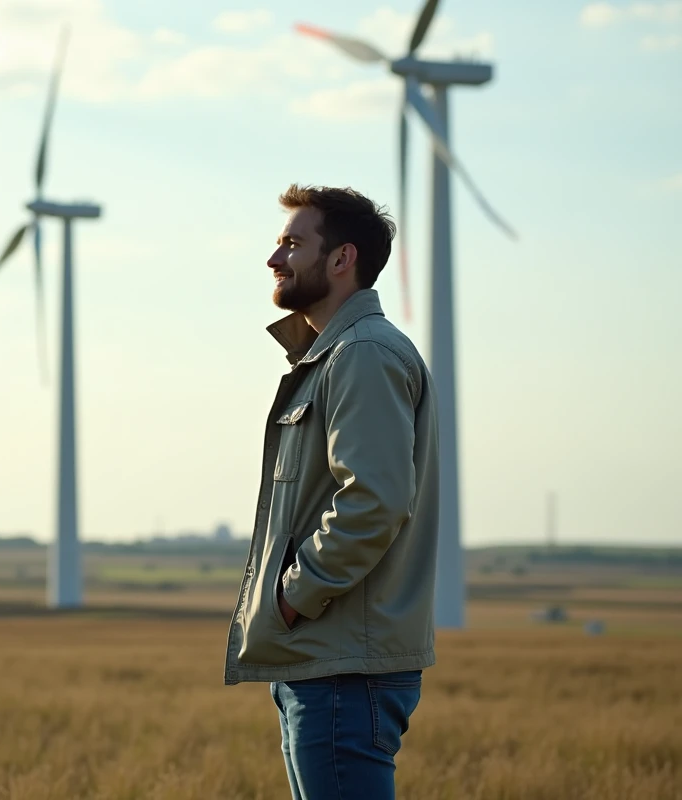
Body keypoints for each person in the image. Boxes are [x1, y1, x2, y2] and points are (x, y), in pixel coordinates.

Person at [222, 184, 441, 799]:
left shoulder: (362, 354)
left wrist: (293, 596)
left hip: (344, 663)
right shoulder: (334, 354)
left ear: (342, 259)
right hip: (327, 657)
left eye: (293, 243)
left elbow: (373, 501)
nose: (274, 259)